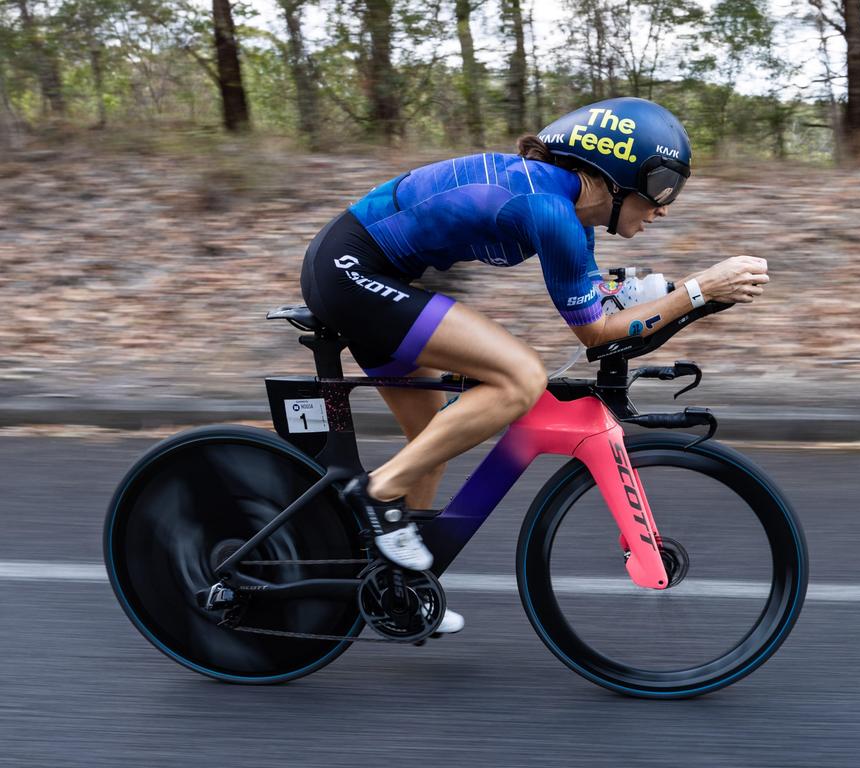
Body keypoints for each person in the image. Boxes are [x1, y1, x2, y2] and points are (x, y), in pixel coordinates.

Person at [300, 97, 770, 634]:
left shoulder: (567, 213)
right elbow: (594, 333)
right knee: (521, 377)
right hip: (350, 271)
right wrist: (698, 288)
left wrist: (685, 295)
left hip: (372, 274)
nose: (664, 208)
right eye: (660, 188)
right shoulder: (548, 210)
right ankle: (375, 494)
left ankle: (395, 591)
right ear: (614, 175)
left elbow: (603, 306)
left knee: (432, 442)